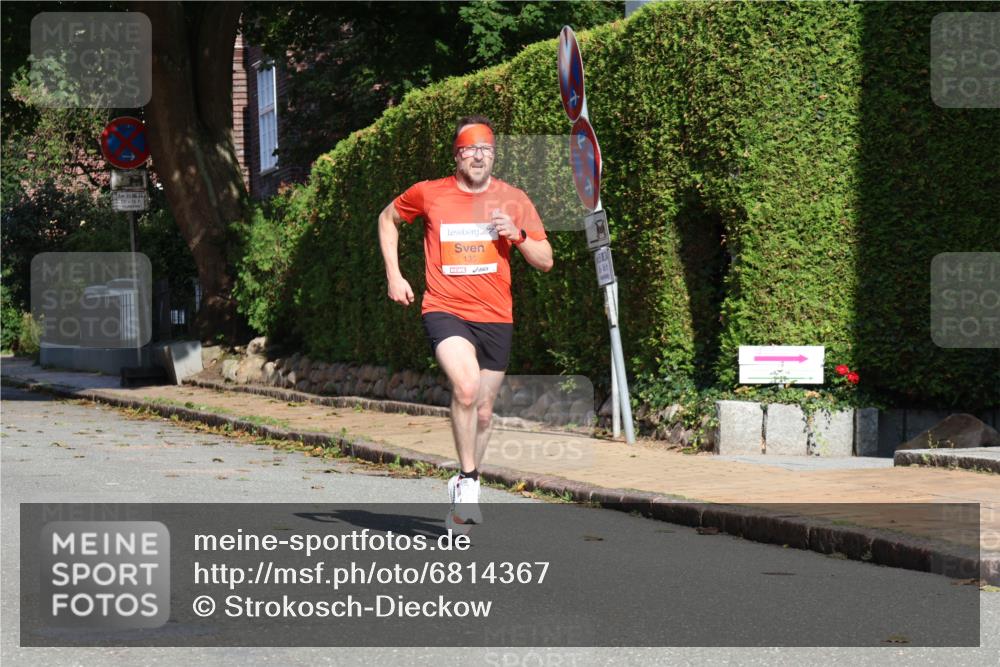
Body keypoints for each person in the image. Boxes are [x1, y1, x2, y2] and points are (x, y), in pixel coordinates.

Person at [378, 115, 553, 531]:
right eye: (469, 149)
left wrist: (518, 235)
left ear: (494, 155)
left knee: (486, 411)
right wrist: (394, 274)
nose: (478, 155)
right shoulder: (429, 194)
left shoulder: (514, 199)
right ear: (457, 155)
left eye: (486, 149)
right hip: (444, 307)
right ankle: (470, 482)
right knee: (467, 386)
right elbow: (387, 219)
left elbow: (546, 260)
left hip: (496, 315)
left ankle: (463, 479)